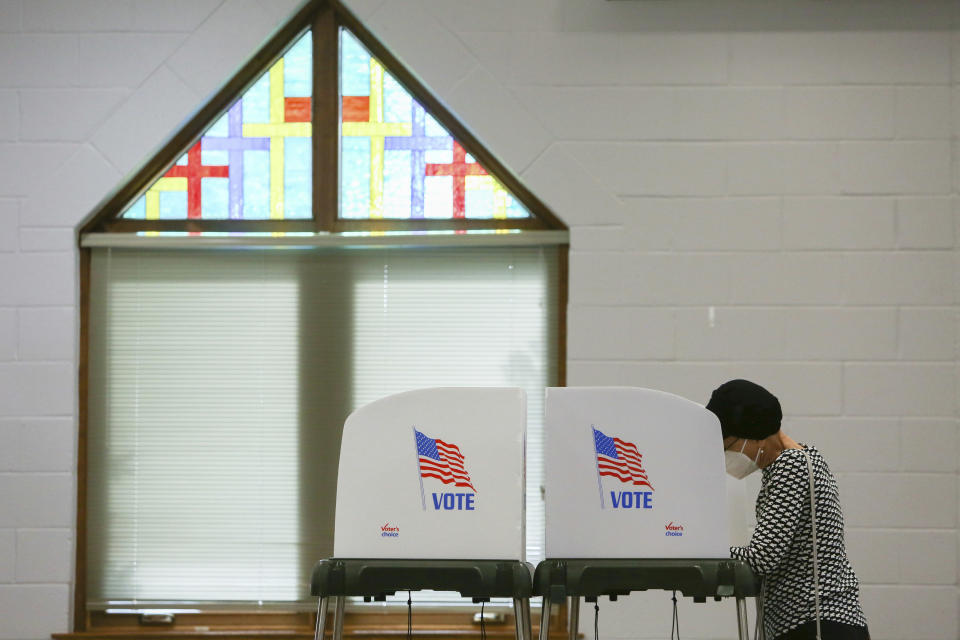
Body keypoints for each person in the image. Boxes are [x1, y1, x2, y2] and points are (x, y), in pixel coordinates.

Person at [706, 379, 869, 640]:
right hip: (824, 621)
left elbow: (762, 558)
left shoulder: (789, 466)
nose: (726, 456)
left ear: (753, 434)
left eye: (727, 446)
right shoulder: (807, 457)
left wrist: (703, 548)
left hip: (815, 623)